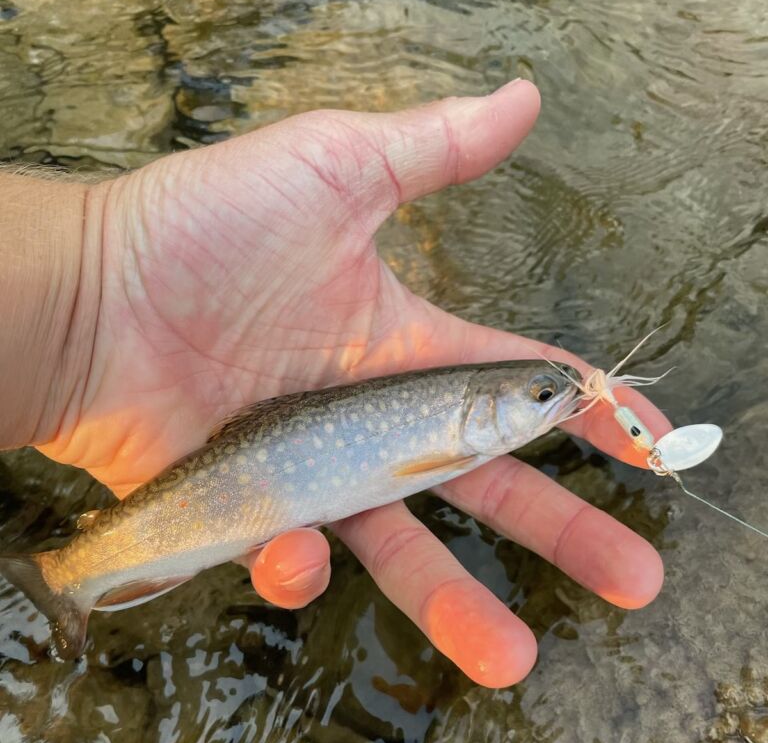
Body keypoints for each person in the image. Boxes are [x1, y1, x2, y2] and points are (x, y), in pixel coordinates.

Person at [0, 79, 667, 686]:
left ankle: (71, 574)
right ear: (482, 409)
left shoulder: (462, 433)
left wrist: (86, 289)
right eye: (543, 397)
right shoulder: (454, 442)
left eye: (546, 395)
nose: (558, 401)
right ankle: (67, 575)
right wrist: (91, 279)